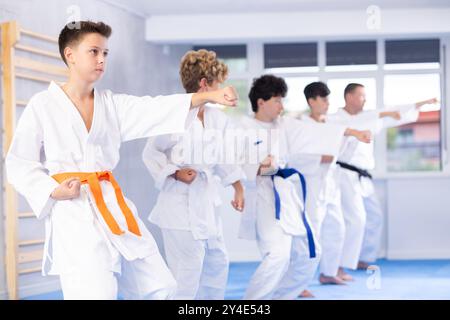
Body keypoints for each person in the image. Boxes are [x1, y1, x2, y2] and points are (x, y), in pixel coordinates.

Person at [5, 21, 237, 300]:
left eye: (105, 53)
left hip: (112, 204)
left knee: (162, 286)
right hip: (74, 211)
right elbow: (19, 162)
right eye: (94, 51)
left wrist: (208, 95)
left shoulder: (111, 104)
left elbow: (153, 108)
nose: (102, 59)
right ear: (70, 55)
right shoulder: (43, 106)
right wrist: (53, 190)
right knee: (95, 293)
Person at [237, 75, 371, 300]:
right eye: (278, 101)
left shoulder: (285, 124)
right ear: (261, 102)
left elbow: (319, 133)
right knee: (278, 255)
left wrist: (355, 133)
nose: (282, 106)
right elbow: (237, 163)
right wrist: (260, 166)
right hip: (262, 195)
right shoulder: (243, 127)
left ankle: (282, 295)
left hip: (287, 193)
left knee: (312, 252)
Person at [142, 49, 245, 300]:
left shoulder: (216, 118)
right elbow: (151, 154)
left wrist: (238, 187)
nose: (221, 88)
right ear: (204, 84)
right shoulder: (174, 114)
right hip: (179, 205)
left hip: (207, 202)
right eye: (217, 83)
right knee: (186, 273)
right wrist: (175, 173)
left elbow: (223, 158)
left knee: (217, 263)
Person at [328, 83, 437, 278]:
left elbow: (395, 112)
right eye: (361, 96)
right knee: (354, 220)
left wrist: (422, 103)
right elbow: (375, 117)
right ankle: (339, 265)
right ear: (349, 97)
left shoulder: (370, 117)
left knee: (374, 216)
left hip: (363, 176)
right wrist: (381, 115)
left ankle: (363, 257)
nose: (365, 100)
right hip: (343, 174)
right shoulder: (335, 119)